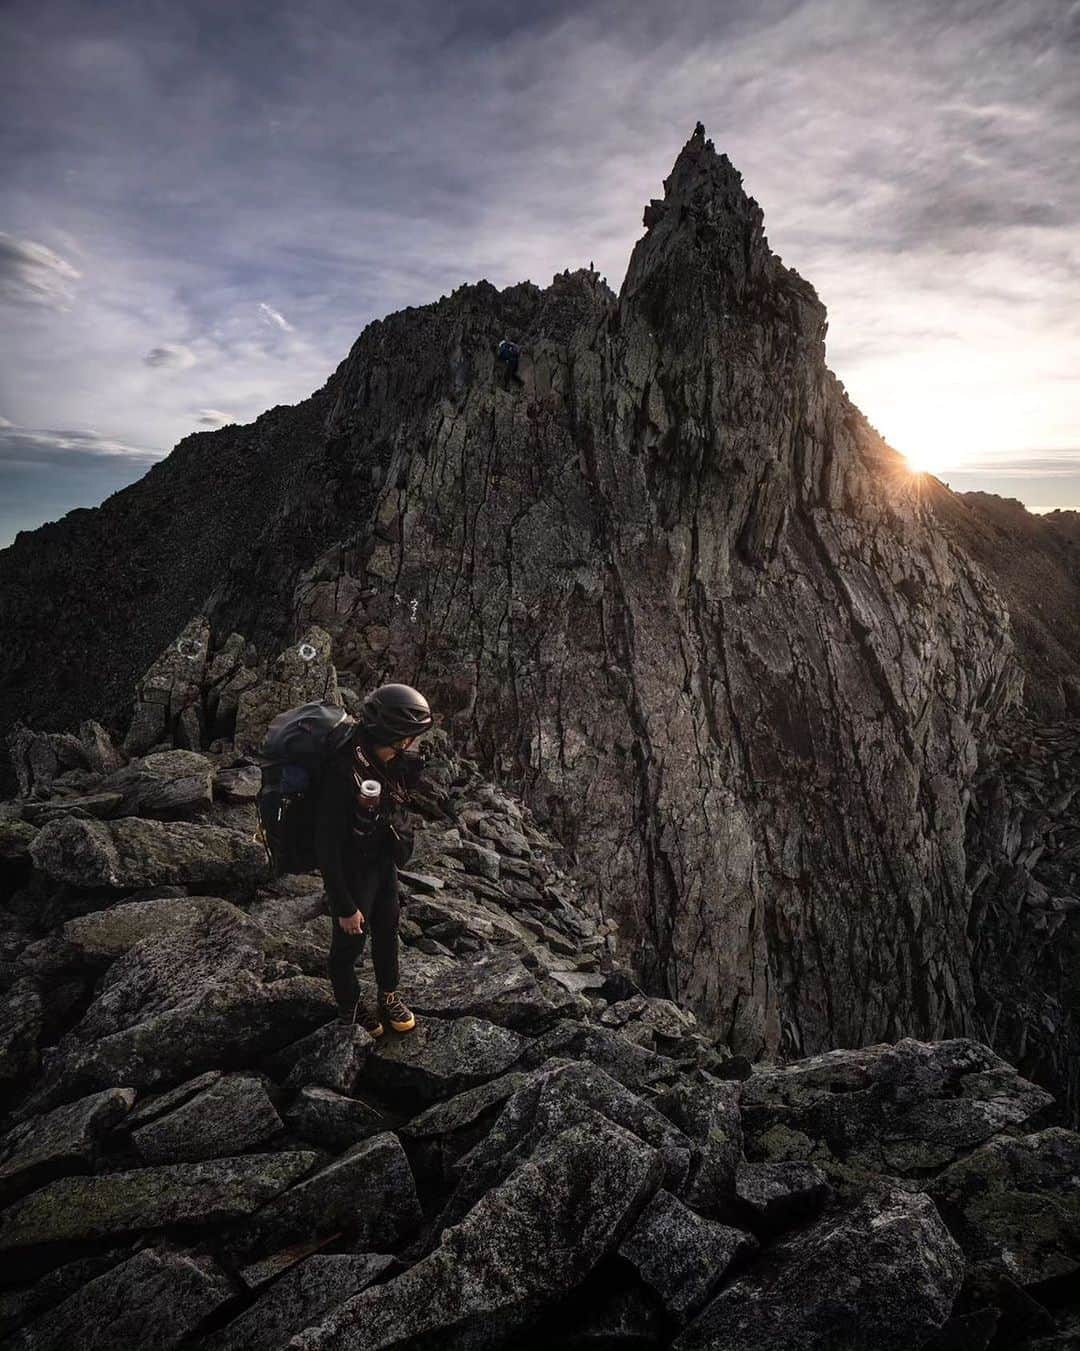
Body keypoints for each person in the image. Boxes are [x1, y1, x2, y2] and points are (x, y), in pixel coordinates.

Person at [313, 682, 434, 1036]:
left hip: (381, 863)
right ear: (392, 734)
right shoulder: (341, 771)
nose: (412, 746)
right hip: (352, 871)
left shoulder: (387, 762)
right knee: (347, 947)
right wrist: (344, 905)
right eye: (409, 738)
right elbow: (326, 846)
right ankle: (349, 1009)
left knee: (388, 929)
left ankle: (388, 996)